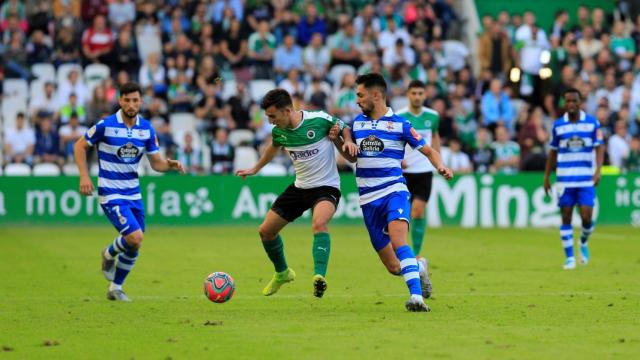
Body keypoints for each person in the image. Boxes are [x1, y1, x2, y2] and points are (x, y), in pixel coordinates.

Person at [336, 73, 453, 312]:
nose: (356, 100)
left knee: (400, 241)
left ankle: (416, 299)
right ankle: (420, 267)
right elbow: (350, 157)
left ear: (376, 95)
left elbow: (429, 150)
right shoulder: (357, 124)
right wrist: (340, 143)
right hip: (368, 199)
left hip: (394, 190)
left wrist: (441, 165)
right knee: (393, 267)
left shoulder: (400, 124)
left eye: (360, 95)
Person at [236, 88, 358, 298]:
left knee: (319, 223)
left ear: (287, 110)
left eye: (273, 116)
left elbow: (343, 126)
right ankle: (282, 273)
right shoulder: (279, 132)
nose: (270, 121)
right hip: (300, 187)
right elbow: (272, 148)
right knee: (265, 231)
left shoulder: (318, 119)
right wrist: (255, 168)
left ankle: (319, 276)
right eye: (268, 117)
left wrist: (346, 140)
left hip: (326, 187)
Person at [73, 82, 185, 302]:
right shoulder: (105, 125)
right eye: (127, 100)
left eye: (135, 100)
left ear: (141, 101)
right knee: (135, 236)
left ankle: (116, 287)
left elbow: (156, 164)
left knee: (136, 243)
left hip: (134, 194)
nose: (131, 104)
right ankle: (108, 254)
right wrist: (84, 176)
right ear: (120, 100)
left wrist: (169, 165)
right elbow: (79, 146)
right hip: (110, 192)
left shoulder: (147, 129)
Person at [544, 88, 604, 270]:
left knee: (587, 217)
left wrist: (598, 170)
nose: (571, 104)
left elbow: (600, 147)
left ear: (580, 102)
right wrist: (546, 176)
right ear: (564, 103)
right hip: (564, 179)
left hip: (585, 179)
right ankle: (569, 258)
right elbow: (553, 152)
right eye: (568, 101)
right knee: (566, 217)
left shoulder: (592, 123)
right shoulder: (558, 126)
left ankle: (583, 242)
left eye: (574, 101)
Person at [395, 80, 440, 293]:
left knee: (418, 210)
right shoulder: (400, 116)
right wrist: (397, 159)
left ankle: (418, 255)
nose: (417, 96)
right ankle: (410, 252)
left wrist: (438, 162)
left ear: (425, 94)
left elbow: (435, 141)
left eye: (421, 93)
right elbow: (396, 140)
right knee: (403, 213)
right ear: (408, 94)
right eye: (414, 93)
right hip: (403, 171)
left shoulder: (433, 117)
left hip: (423, 171)